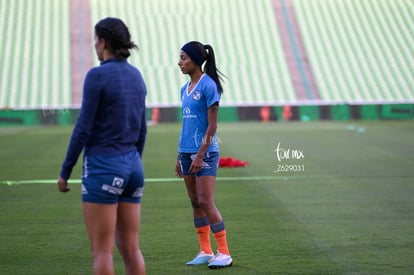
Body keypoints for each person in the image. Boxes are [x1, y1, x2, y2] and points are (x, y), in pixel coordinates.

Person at [57, 17, 147, 275]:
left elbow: (83, 128)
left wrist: (66, 171)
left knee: (102, 251)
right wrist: (132, 162)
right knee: (131, 249)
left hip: (104, 165)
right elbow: (142, 130)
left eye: (96, 40)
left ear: (103, 42)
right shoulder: (136, 75)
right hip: (133, 166)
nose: (95, 46)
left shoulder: (97, 76)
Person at [175, 41, 233, 269]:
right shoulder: (184, 89)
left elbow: (212, 127)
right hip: (186, 152)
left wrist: (200, 155)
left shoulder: (209, 86)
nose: (179, 63)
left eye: (183, 58)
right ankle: (205, 250)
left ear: (195, 61)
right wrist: (180, 156)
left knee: (206, 201)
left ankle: (225, 253)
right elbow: (187, 126)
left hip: (205, 154)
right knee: (194, 202)